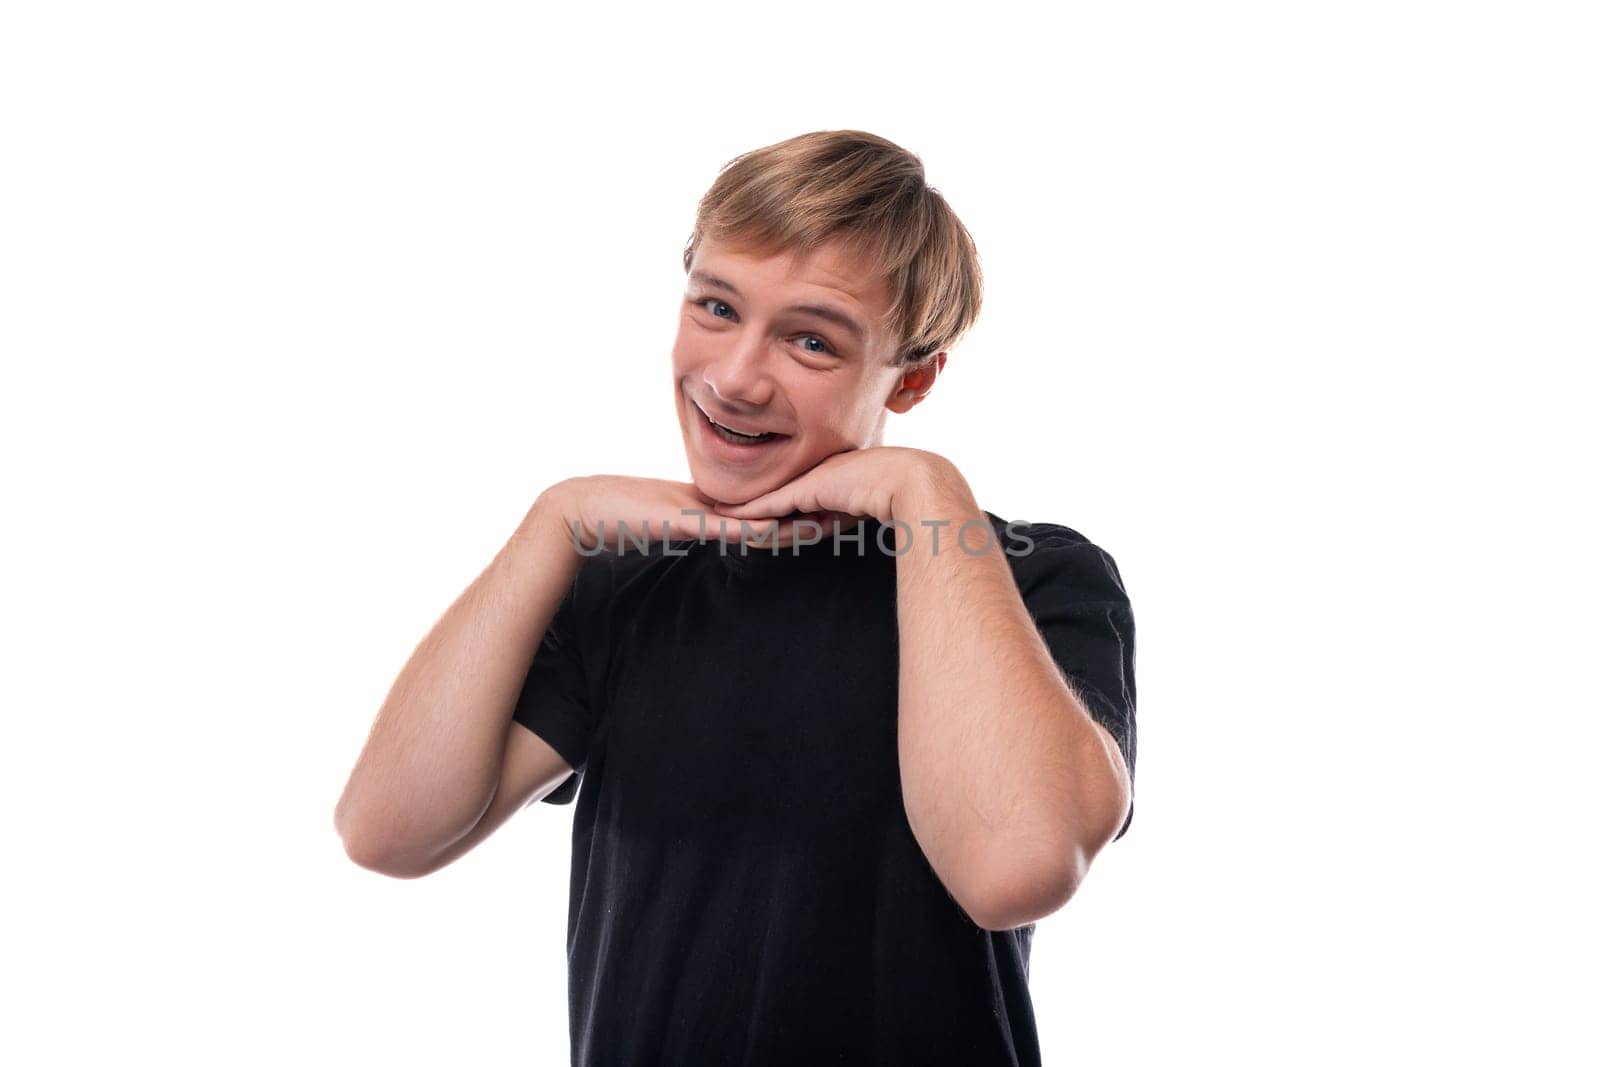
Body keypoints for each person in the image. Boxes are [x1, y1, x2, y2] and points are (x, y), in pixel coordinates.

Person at [335, 129, 1137, 1066]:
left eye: (810, 340)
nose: (734, 377)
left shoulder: (1032, 576)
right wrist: (551, 525)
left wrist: (929, 493)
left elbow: (1016, 867)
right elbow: (386, 829)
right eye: (716, 306)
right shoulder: (626, 588)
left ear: (912, 376)